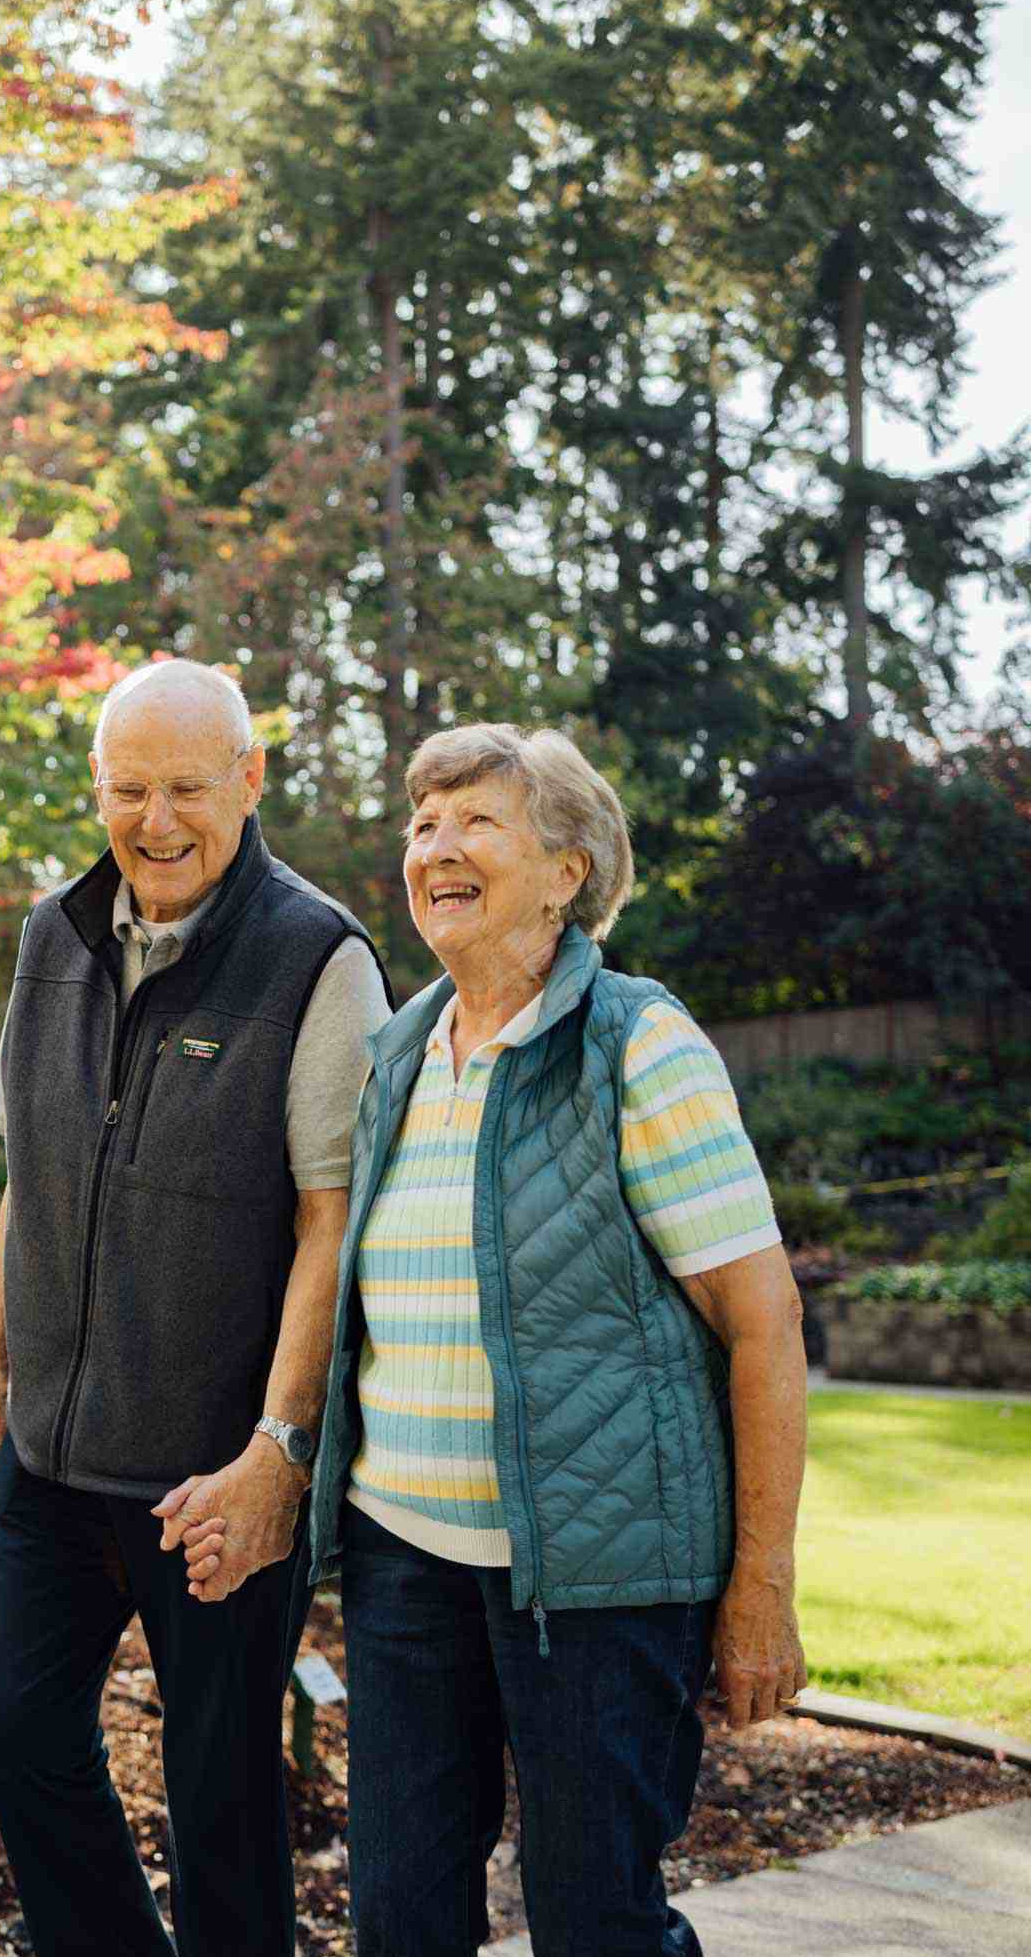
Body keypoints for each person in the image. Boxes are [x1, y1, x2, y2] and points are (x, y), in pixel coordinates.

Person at [184, 723, 807, 1955]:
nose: (435, 847)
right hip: (401, 1556)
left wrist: (761, 1588)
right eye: (421, 823)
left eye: (476, 819)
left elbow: (763, 1324)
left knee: (594, 1918)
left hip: (597, 1579)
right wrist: (285, 1455)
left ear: (567, 868)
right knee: (399, 1912)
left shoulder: (634, 1045)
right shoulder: (401, 1051)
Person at [0, 658, 394, 1957]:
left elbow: (333, 1225)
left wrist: (277, 1455)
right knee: (12, 1735)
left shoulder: (319, 958)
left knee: (223, 1820)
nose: (156, 821)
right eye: (128, 789)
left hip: (212, 1476)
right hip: (49, 1457)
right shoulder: (53, 937)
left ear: (249, 782)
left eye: (188, 789)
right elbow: (25, 1182)